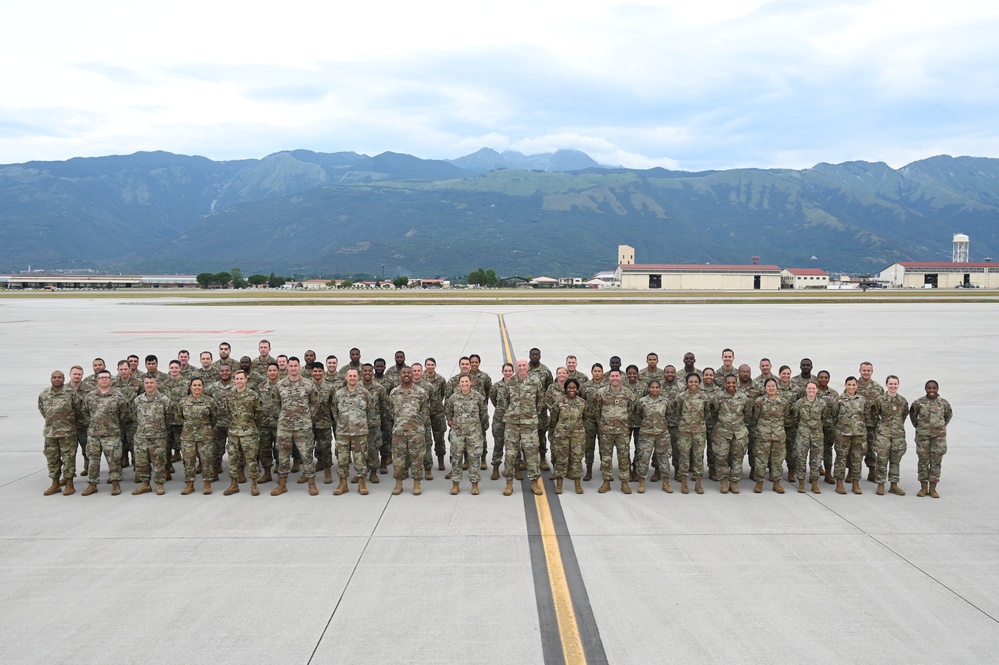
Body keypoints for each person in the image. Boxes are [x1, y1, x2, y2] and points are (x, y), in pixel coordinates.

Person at [271, 357, 319, 496]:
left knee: (307, 455)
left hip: (303, 427)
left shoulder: (308, 384)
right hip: (285, 427)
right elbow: (275, 403)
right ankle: (282, 484)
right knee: (283, 456)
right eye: (290, 366)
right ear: (287, 367)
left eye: (295, 366)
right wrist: (282, 416)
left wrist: (307, 416)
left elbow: (315, 402)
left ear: (299, 367)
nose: (293, 368)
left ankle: (311, 484)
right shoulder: (280, 385)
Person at [80, 370, 131, 496]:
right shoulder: (90, 396)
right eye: (101, 378)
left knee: (114, 460)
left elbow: (124, 414)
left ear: (110, 380)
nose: (104, 380)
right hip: (94, 435)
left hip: (111, 435)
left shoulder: (118, 396)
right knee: (93, 461)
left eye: (106, 378)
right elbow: (84, 412)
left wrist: (114, 425)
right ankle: (92, 484)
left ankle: (115, 484)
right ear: (97, 380)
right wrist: (93, 423)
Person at [502, 357, 545, 496]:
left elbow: (540, 400)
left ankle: (534, 483)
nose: (521, 368)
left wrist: (532, 414)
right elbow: (505, 401)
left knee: (532, 453)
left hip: (529, 424)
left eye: (523, 365)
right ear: (516, 367)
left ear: (527, 367)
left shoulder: (535, 381)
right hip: (512, 424)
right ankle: (509, 482)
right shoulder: (510, 382)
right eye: (519, 365)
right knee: (510, 454)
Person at [38, 370, 83, 495]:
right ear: (51, 379)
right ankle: (55, 483)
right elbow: (42, 410)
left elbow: (79, 410)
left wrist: (68, 423)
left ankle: (69, 484)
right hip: (50, 433)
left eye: (59, 377)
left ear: (64, 379)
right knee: (52, 459)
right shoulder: (44, 394)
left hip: (67, 433)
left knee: (68, 459)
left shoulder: (71, 394)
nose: (56, 379)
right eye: (54, 377)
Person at [331, 368, 374, 496]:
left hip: (359, 433)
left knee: (360, 459)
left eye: (354, 376)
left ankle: (362, 483)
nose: (352, 378)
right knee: (342, 459)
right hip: (343, 433)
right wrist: (342, 423)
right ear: (346, 377)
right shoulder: (338, 394)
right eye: (350, 376)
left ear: (358, 377)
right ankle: (343, 484)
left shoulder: (365, 394)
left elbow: (371, 412)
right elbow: (334, 411)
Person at [593, 368, 636, 494]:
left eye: (617, 376)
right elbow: (596, 409)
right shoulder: (601, 392)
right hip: (607, 431)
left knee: (623, 457)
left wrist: (623, 420)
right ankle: (606, 481)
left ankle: (624, 482)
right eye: (613, 376)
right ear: (609, 378)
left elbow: (631, 409)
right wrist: (603, 422)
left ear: (621, 378)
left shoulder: (628, 393)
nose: (615, 378)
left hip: (622, 431)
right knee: (606, 457)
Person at [389, 367, 430, 495]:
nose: (406, 375)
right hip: (399, 432)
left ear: (412, 375)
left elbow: (425, 411)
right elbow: (391, 411)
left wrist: (416, 424)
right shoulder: (394, 392)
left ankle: (417, 483)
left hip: (416, 432)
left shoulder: (420, 392)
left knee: (417, 459)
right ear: (400, 375)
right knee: (398, 459)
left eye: (409, 373)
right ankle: (398, 483)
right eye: (404, 373)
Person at [223, 370, 264, 496]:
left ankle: (254, 484)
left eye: (241, 379)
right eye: (237, 379)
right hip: (234, 432)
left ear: (246, 380)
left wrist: (250, 425)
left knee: (251, 459)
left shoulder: (253, 395)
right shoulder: (229, 395)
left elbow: (259, 413)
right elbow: (228, 412)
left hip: (249, 433)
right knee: (233, 459)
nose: (239, 381)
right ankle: (234, 484)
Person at [445, 375, 489, 494]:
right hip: (458, 433)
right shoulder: (453, 398)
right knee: (456, 459)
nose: (464, 384)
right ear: (459, 384)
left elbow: (484, 413)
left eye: (466, 381)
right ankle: (455, 484)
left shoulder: (478, 397)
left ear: (470, 383)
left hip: (473, 433)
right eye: (462, 382)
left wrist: (480, 428)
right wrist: (452, 423)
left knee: (474, 459)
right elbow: (448, 412)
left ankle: (474, 485)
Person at [909, 380, 953, 498]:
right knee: (923, 462)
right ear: (925, 389)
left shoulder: (943, 403)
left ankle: (933, 488)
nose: (931, 390)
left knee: (936, 462)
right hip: (923, 437)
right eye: (929, 388)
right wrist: (920, 427)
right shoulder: (919, 403)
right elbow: (913, 415)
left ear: (937, 389)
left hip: (938, 438)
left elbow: (948, 416)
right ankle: (923, 487)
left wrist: (941, 427)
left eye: (934, 388)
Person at [130, 376, 173, 495]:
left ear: (156, 384)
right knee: (141, 462)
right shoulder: (138, 400)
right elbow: (133, 416)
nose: (149, 385)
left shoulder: (164, 399)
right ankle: (145, 484)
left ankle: (159, 484)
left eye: (151, 383)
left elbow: (169, 416)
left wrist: (161, 430)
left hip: (158, 437)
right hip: (141, 437)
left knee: (159, 462)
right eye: (147, 383)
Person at [178, 377, 220, 495]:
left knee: (206, 460)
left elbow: (215, 416)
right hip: (188, 436)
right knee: (188, 460)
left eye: (199, 385)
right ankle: (189, 484)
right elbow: (179, 416)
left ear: (203, 387)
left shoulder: (209, 401)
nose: (197, 387)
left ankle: (207, 483)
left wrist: (206, 427)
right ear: (190, 387)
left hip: (205, 436)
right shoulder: (183, 401)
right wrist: (188, 426)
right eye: (194, 385)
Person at [711, 375, 751, 494]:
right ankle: (723, 480)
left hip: (739, 433)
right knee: (721, 456)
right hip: (722, 432)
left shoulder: (743, 397)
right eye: (728, 383)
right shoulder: (719, 397)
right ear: (724, 383)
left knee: (737, 457)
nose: (731, 385)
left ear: (737, 383)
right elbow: (714, 413)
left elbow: (747, 414)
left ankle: (734, 481)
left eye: (733, 383)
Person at [830, 376, 869, 495]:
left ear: (857, 386)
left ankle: (855, 483)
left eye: (853, 385)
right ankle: (839, 483)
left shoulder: (862, 400)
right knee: (841, 458)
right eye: (849, 385)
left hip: (859, 434)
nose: (851, 387)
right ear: (845, 385)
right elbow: (833, 415)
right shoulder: (839, 399)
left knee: (857, 459)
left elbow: (866, 415)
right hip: (843, 434)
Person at [674, 373, 711, 494]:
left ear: (699, 383)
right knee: (684, 455)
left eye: (696, 382)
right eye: (691, 382)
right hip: (684, 431)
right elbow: (677, 412)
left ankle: (698, 483)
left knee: (698, 457)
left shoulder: (704, 397)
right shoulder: (681, 396)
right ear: (687, 383)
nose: (693, 384)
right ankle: (684, 482)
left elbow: (707, 413)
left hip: (699, 431)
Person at [549, 378, 587, 494]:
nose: (572, 390)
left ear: (577, 389)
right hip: (562, 435)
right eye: (569, 387)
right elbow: (553, 418)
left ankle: (577, 484)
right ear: (565, 389)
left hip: (577, 435)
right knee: (561, 459)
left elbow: (584, 418)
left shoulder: (582, 403)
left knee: (577, 459)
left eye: (574, 388)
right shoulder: (559, 402)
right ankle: (559, 484)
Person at [872, 375, 908, 496]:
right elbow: (875, 415)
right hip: (883, 434)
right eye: (891, 384)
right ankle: (880, 484)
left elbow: (904, 416)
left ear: (898, 385)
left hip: (898, 435)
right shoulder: (880, 400)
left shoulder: (903, 401)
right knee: (882, 459)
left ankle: (894, 485)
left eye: (895, 384)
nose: (893, 386)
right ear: (886, 385)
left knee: (896, 460)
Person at [750, 378, 789, 494]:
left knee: (777, 460)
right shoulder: (759, 401)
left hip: (778, 435)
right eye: (769, 386)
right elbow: (755, 416)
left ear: (777, 387)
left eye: (773, 386)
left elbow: (786, 416)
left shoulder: (783, 402)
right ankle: (759, 483)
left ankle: (776, 483)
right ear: (765, 388)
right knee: (761, 460)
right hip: (763, 435)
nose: (771, 388)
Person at [634, 380, 671, 494]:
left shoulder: (665, 401)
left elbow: (669, 414)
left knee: (664, 459)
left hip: (662, 434)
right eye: (652, 387)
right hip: (646, 434)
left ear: (660, 389)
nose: (654, 389)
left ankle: (665, 483)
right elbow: (637, 414)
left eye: (657, 387)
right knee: (643, 458)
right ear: (648, 388)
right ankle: (641, 482)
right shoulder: (642, 401)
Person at [790, 382, 826, 494]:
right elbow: (794, 419)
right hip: (802, 435)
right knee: (801, 459)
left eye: (813, 388)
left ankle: (814, 483)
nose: (811, 390)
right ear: (806, 390)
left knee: (816, 460)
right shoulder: (799, 403)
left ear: (817, 390)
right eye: (809, 388)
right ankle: (801, 483)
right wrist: (802, 429)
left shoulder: (822, 403)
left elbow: (824, 418)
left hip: (817, 435)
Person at [360, 363, 389, 483]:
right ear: (361, 373)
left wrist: (381, 421)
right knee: (359, 450)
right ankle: (361, 473)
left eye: (369, 371)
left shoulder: (379, 388)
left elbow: (384, 406)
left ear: (372, 373)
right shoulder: (355, 387)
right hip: (359, 425)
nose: (367, 373)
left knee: (373, 449)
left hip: (373, 424)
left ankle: (373, 472)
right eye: (365, 371)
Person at [857, 362, 885, 482]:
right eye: (864, 370)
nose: (866, 373)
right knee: (856, 449)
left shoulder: (878, 388)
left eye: (868, 370)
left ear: (872, 372)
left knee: (872, 448)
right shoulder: (854, 385)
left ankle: (872, 470)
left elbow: (883, 406)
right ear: (860, 371)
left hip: (872, 424)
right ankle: (853, 472)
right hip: (857, 424)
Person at [310, 362, 336, 485]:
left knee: (326, 448)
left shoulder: (329, 388)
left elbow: (333, 405)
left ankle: (327, 470)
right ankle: (308, 472)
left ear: (323, 372)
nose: (317, 373)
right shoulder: (307, 386)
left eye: (320, 371)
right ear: (311, 372)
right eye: (315, 371)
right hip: (308, 423)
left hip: (324, 423)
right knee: (307, 448)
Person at [528, 348, 554, 471]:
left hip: (541, 410)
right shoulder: (524, 370)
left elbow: (550, 389)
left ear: (540, 356)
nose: (535, 356)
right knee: (526, 435)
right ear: (530, 355)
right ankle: (526, 460)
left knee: (541, 433)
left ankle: (542, 458)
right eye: (533, 354)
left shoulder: (545, 371)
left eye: (537, 354)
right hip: (527, 409)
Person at [488, 362, 514, 480]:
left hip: (513, 421)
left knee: (514, 447)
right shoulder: (496, 386)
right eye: (506, 371)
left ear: (513, 372)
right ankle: (495, 469)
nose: (508, 373)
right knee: (498, 445)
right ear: (502, 372)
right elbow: (493, 399)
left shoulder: (517, 385)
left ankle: (515, 468)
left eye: (510, 371)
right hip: (499, 420)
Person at [581, 363, 606, 481]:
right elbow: (581, 401)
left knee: (604, 446)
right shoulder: (585, 386)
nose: (597, 373)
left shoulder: (607, 386)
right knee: (589, 447)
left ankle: (605, 470)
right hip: (589, 420)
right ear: (591, 372)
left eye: (599, 371)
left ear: (602, 372)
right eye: (595, 371)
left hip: (603, 420)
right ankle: (589, 471)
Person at [421, 358, 447, 473]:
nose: (430, 367)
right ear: (425, 366)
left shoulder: (441, 379)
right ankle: (427, 463)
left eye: (432, 364)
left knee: (439, 438)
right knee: (426, 439)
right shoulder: (420, 379)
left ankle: (440, 460)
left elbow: (443, 394)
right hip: (424, 413)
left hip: (437, 412)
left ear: (435, 366)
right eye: (428, 365)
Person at [815, 370, 839, 484]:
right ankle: (815, 472)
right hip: (816, 426)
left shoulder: (834, 394)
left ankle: (828, 474)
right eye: (821, 377)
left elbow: (837, 410)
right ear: (817, 378)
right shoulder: (813, 391)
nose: (823, 379)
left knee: (828, 450)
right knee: (815, 450)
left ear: (829, 379)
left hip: (829, 427)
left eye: (825, 377)